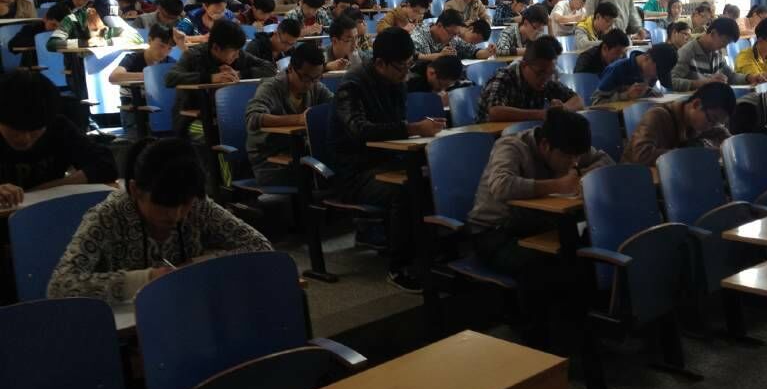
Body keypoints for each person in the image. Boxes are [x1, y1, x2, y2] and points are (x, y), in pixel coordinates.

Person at [47, 137, 272, 304]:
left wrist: (195, 265)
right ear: (135, 190)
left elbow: (260, 247)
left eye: (184, 204)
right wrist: (146, 279)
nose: (176, 215)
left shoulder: (198, 205)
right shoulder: (107, 216)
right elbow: (59, 286)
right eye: (164, 206)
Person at [468, 108, 613, 347]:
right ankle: (538, 343)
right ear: (545, 145)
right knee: (542, 267)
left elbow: (605, 160)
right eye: (568, 157)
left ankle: (582, 332)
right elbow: (501, 185)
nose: (574, 162)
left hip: (537, 226)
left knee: (586, 251)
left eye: (578, 157)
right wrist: (558, 185)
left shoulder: (568, 145)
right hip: (494, 232)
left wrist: (580, 176)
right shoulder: (511, 146)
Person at [331, 28, 445, 291]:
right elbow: (359, 130)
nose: (406, 73)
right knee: (405, 190)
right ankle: (399, 267)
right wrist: (413, 129)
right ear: (380, 63)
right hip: (355, 172)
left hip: (389, 160)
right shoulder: (352, 85)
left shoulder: (396, 82)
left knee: (433, 178)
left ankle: (431, 254)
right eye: (401, 67)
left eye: (409, 65)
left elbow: (395, 124)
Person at [0, 72, 117, 208]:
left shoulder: (59, 128)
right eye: (16, 131)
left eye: (35, 131)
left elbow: (105, 165)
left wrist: (45, 188)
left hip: (47, 210)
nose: (25, 138)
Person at [165, 19, 275, 136]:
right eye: (234, 51)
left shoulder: (239, 56)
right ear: (216, 48)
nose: (237, 55)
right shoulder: (194, 56)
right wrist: (210, 78)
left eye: (239, 50)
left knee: (256, 131)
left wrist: (239, 74)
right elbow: (170, 78)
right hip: (194, 119)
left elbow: (270, 68)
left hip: (228, 114)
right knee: (208, 134)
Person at [245, 43, 333, 185]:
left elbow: (336, 106)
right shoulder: (271, 87)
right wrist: (298, 119)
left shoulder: (315, 86)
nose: (310, 84)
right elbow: (253, 118)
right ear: (291, 68)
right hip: (271, 163)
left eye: (317, 78)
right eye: (306, 78)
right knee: (326, 177)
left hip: (303, 156)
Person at [622, 82, 736, 166]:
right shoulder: (657, 116)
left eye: (717, 123)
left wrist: (724, 148)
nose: (712, 125)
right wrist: (691, 154)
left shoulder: (702, 121)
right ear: (696, 104)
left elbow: (724, 136)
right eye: (712, 119)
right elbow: (641, 155)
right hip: (637, 180)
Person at [476, 36, 584, 123]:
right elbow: (495, 112)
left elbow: (577, 100)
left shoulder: (547, 78)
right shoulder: (503, 77)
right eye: (539, 73)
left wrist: (562, 109)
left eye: (549, 73)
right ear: (524, 65)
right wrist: (541, 114)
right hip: (491, 138)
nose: (545, 79)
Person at [108, 24, 178, 139]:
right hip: (133, 110)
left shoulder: (170, 63)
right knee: (139, 140)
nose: (164, 52)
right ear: (149, 40)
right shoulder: (132, 59)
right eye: (161, 46)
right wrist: (149, 75)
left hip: (161, 111)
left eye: (169, 48)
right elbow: (114, 77)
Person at [672, 17, 763, 91]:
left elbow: (730, 76)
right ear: (713, 33)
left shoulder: (716, 52)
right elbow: (671, 82)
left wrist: (748, 78)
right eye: (724, 41)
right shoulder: (687, 52)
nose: (724, 46)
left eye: (727, 44)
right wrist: (702, 83)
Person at [592, 43, 679, 105]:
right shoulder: (617, 69)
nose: (656, 77)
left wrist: (649, 92)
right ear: (647, 57)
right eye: (657, 71)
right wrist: (626, 95)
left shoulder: (652, 71)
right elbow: (596, 102)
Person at [47, 3, 142, 51]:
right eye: (101, 22)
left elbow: (138, 38)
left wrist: (107, 42)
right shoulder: (71, 20)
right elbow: (52, 43)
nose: (105, 28)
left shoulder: (112, 23)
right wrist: (85, 43)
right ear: (92, 12)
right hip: (77, 67)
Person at [9, 2, 70, 67]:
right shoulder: (31, 29)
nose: (56, 30)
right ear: (45, 19)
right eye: (53, 25)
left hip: (61, 67)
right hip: (33, 68)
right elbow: (12, 46)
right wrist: (40, 41)